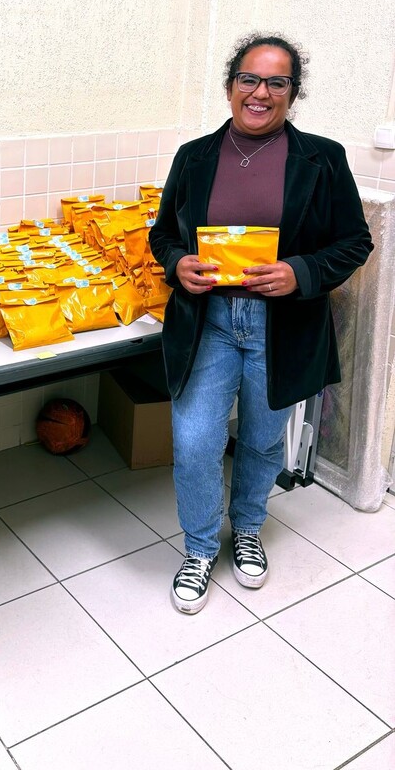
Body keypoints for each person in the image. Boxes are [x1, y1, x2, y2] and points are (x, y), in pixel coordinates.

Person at [149, 33, 372, 616]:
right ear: (230, 86)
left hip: (282, 325)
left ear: (292, 94)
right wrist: (178, 264)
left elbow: (354, 241)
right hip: (210, 322)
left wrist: (299, 271)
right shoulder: (194, 157)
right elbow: (162, 235)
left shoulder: (322, 159)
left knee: (263, 439)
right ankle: (199, 548)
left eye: (277, 82)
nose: (260, 92)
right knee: (195, 441)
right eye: (249, 78)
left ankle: (247, 527)